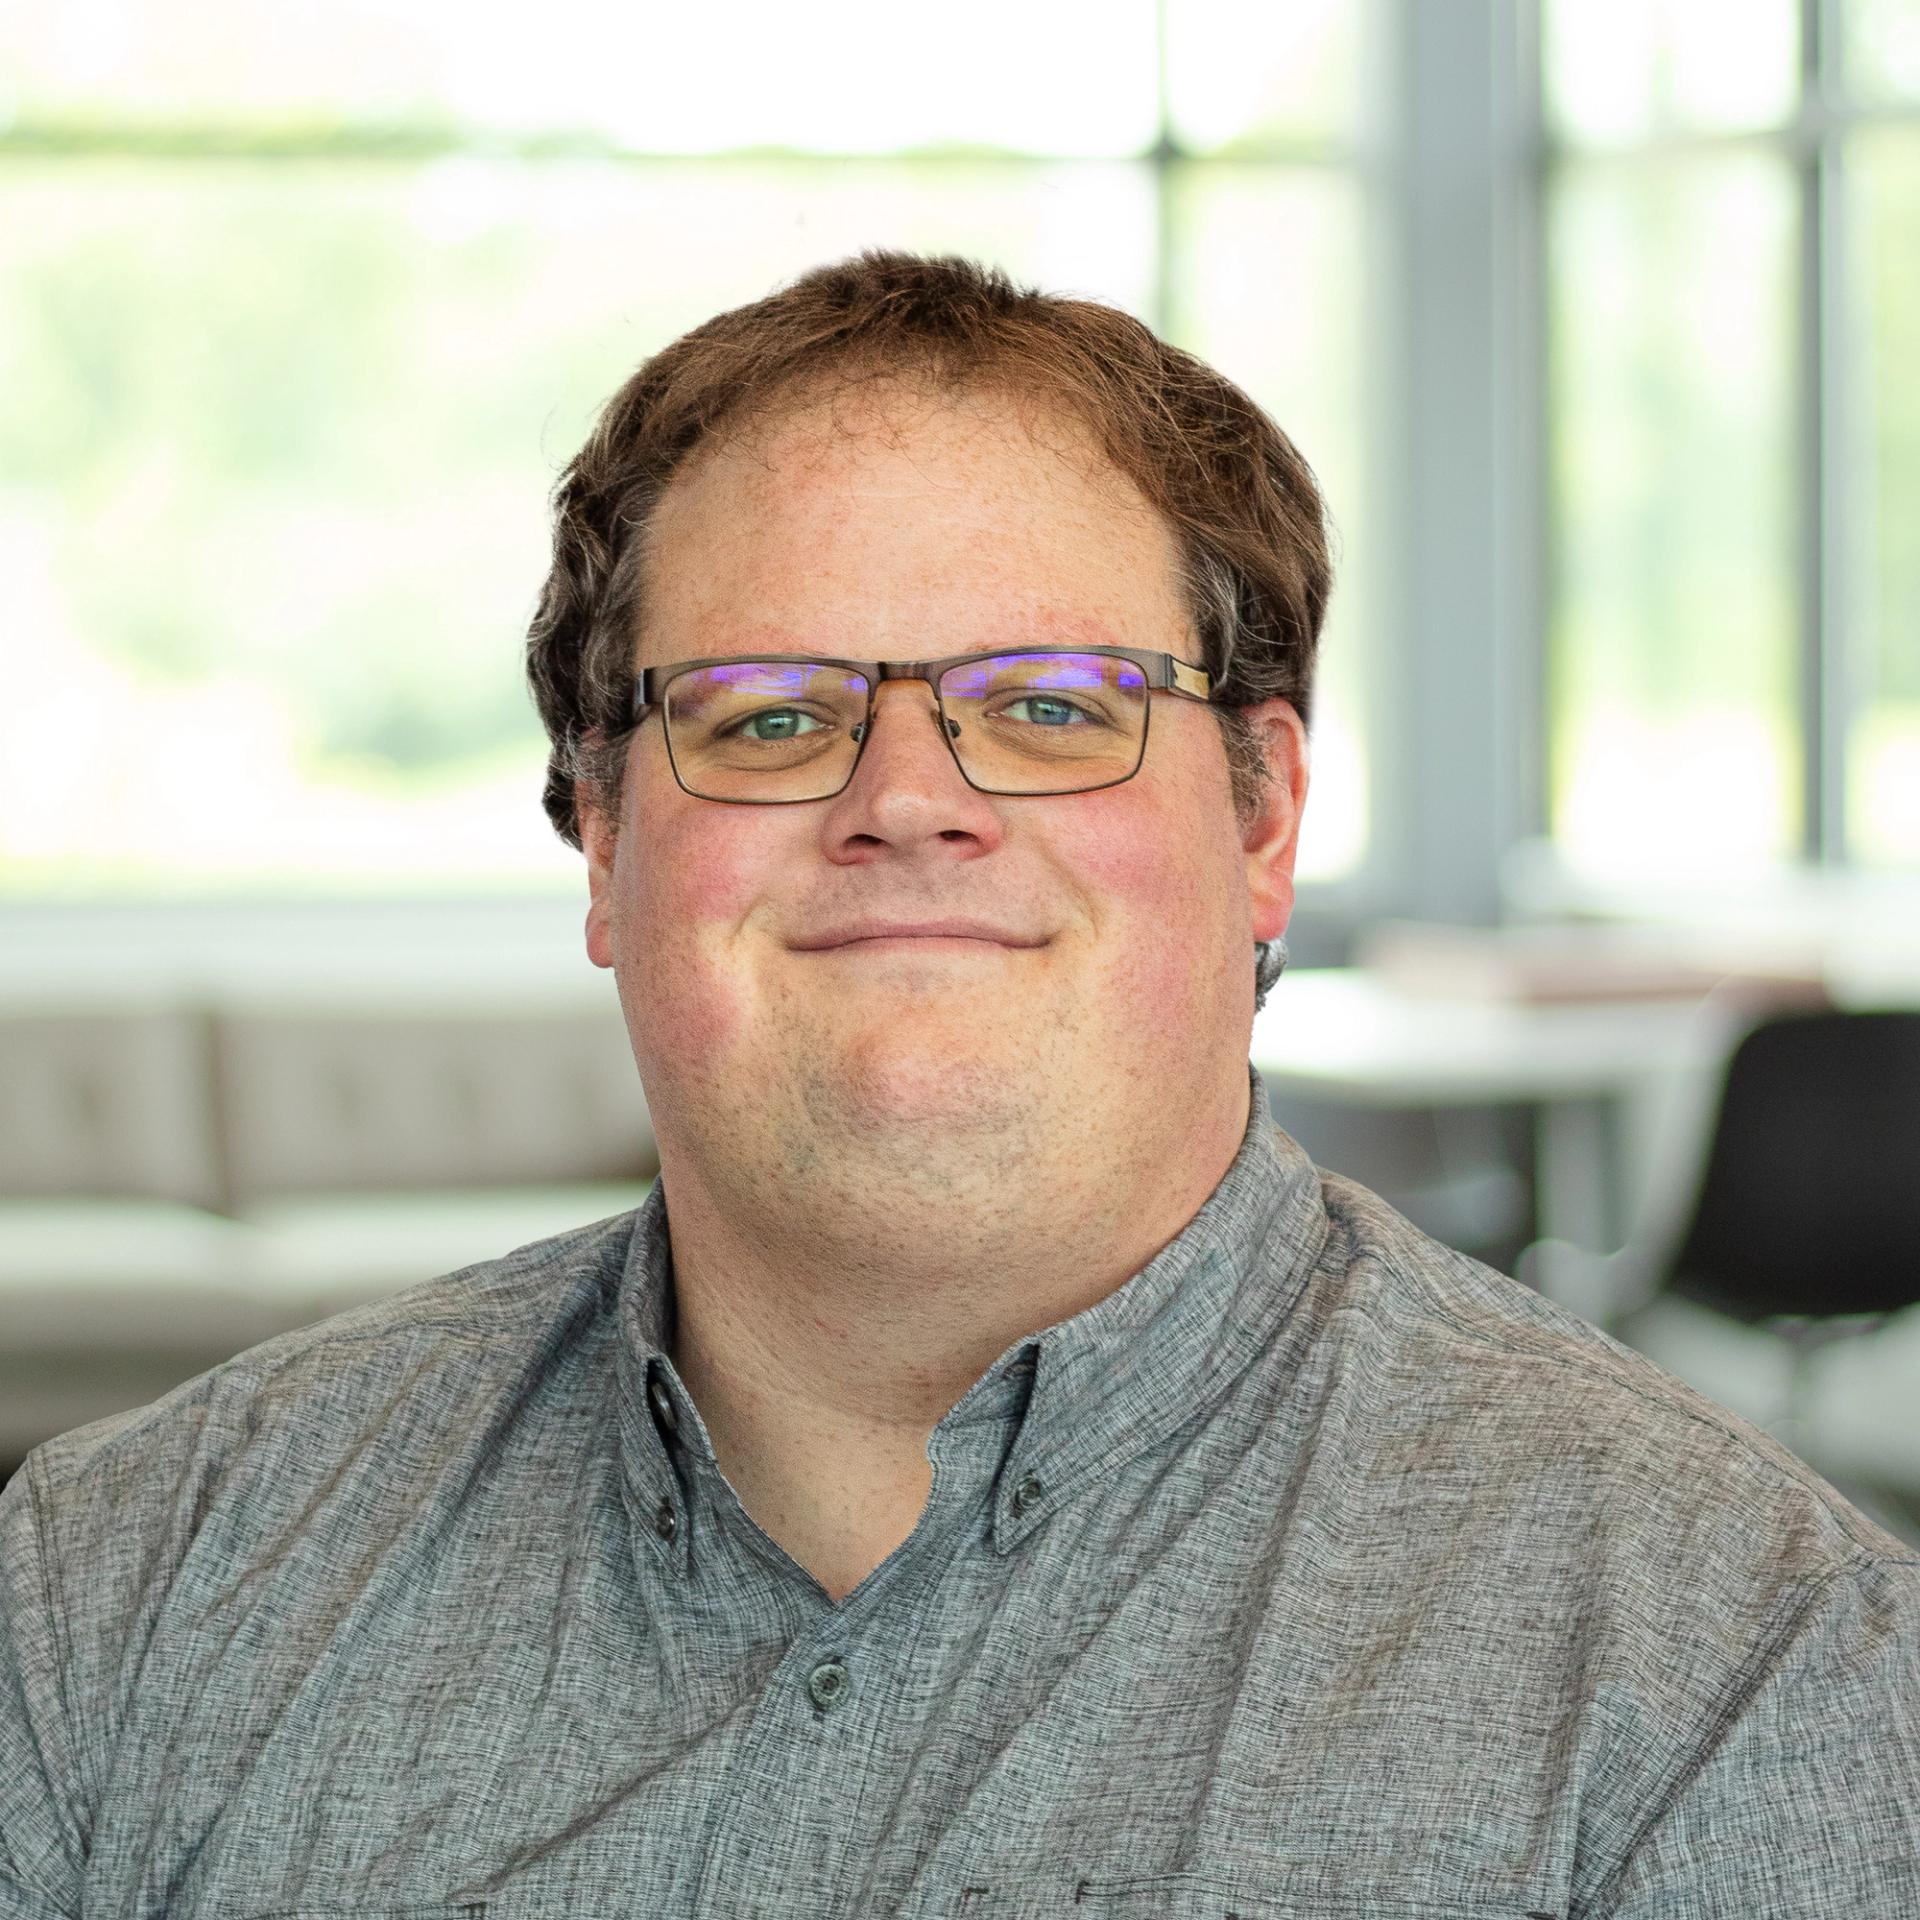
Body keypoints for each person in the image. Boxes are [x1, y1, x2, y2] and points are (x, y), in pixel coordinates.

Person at [2, 252, 1915, 1920]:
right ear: (601, 845)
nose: (907, 799)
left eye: (1055, 706)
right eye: (768, 718)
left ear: (1264, 822)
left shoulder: (1747, 1674)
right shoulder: (123, 1596)